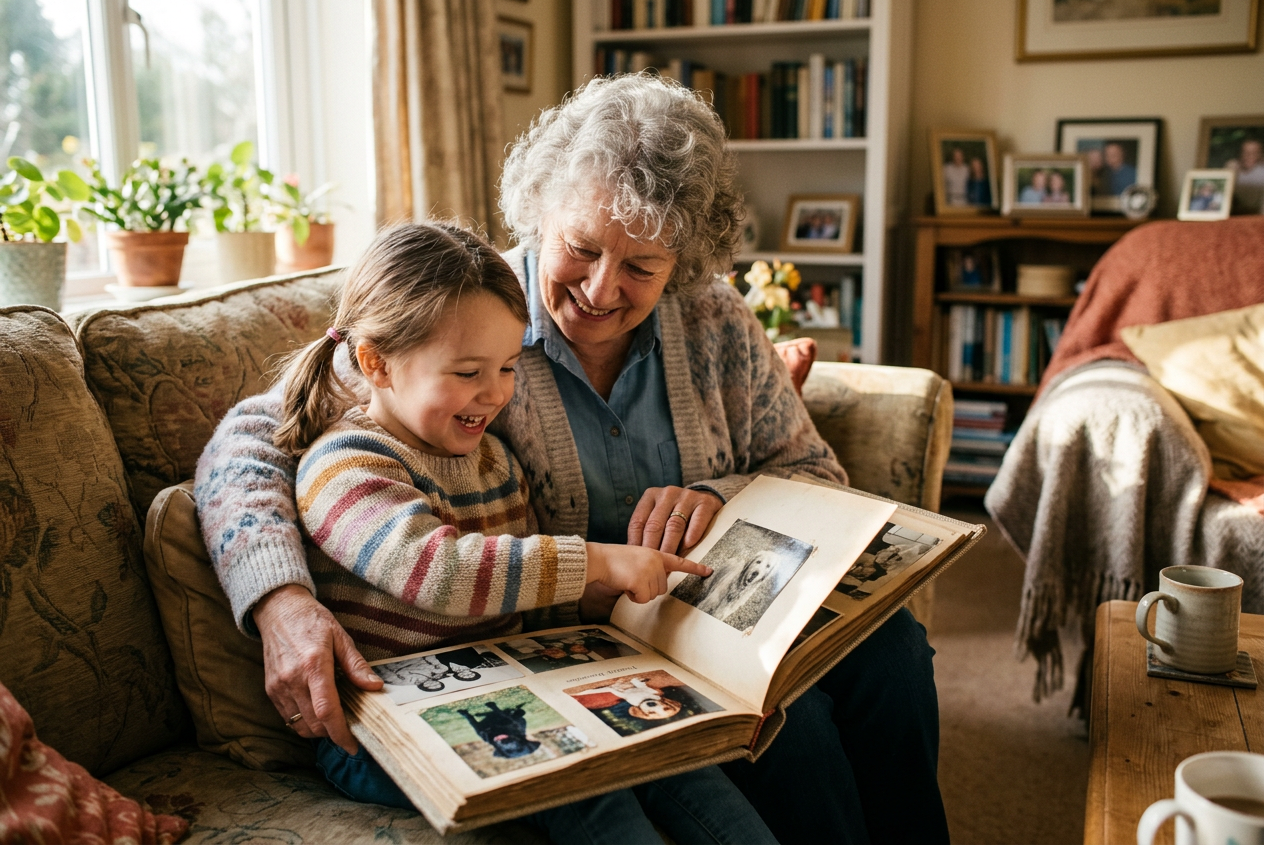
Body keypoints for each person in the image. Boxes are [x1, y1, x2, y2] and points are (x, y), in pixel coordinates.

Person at [195, 73, 948, 844]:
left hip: (713, 608)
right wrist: (279, 602)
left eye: (640, 267)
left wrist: (719, 494)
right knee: (801, 720)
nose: (599, 288)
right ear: (538, 216)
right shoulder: (469, 321)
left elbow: (816, 475)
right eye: (580, 248)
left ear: (682, 261)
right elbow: (253, 439)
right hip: (583, 636)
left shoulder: (716, 322)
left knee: (893, 653)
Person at [262, 220, 771, 841]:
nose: (496, 392)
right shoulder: (344, 465)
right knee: (595, 801)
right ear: (376, 363)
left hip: (510, 687)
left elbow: (525, 599)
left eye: (507, 367)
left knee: (684, 764)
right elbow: (438, 572)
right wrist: (599, 563)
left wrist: (604, 608)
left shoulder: (496, 463)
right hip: (378, 733)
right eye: (467, 372)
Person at [1226, 137, 1264, 213]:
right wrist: (1230, 173)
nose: (1249, 155)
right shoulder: (1232, 167)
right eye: (1245, 152)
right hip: (1234, 213)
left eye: (1254, 152)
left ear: (1261, 154)